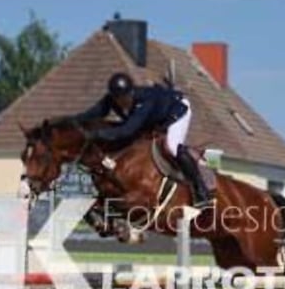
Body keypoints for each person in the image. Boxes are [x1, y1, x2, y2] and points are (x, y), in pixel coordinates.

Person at [73, 71, 213, 209]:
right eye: (117, 99)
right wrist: (68, 122)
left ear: (131, 92)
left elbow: (126, 130)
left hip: (177, 110)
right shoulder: (111, 99)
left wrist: (95, 135)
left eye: (125, 97)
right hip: (157, 117)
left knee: (172, 147)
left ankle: (201, 190)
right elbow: (91, 114)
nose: (122, 102)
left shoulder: (144, 101)